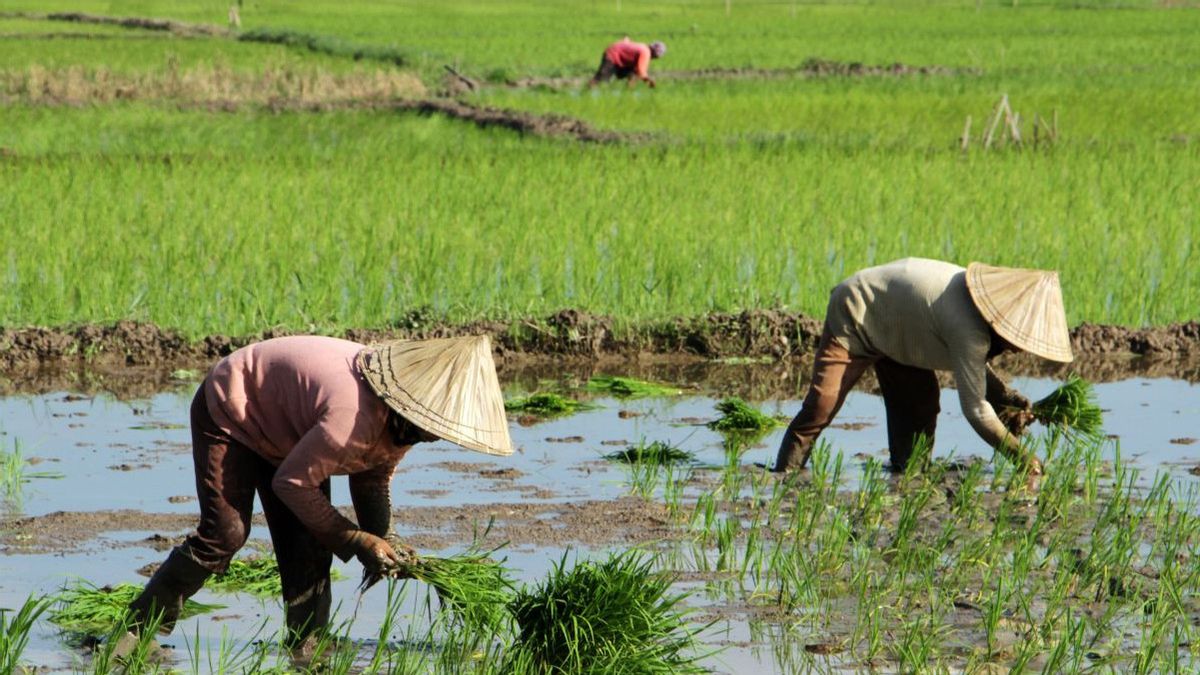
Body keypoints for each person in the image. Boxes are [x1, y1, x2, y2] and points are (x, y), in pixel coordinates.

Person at [122, 334, 512, 652]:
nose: (440, 435)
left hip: (291, 432)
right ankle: (133, 633)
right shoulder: (352, 417)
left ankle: (306, 644)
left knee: (309, 544)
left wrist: (386, 540)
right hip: (234, 407)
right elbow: (291, 483)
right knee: (225, 534)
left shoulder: (405, 422)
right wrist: (357, 540)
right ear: (419, 408)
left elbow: (371, 478)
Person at [774, 258, 1074, 475]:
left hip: (904, 331)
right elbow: (976, 410)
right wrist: (1021, 456)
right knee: (822, 405)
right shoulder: (969, 328)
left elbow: (973, 369)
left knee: (919, 406)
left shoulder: (974, 320)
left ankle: (907, 476)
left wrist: (1004, 397)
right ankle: (785, 472)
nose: (1020, 347)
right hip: (857, 310)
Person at [588, 37, 666, 88]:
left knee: (634, 74)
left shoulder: (644, 47)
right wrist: (649, 81)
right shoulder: (646, 52)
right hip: (612, 55)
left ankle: (629, 92)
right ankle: (586, 91)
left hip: (621, 58)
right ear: (655, 54)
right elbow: (642, 71)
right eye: (656, 57)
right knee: (601, 79)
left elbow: (638, 71)